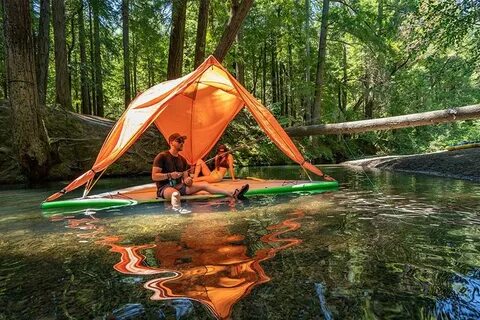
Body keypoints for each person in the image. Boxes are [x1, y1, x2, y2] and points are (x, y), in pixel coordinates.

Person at [152, 133, 249, 210]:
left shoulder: (182, 159)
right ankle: (178, 212)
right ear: (171, 142)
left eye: (183, 141)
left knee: (205, 184)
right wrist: (169, 175)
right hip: (165, 188)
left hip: (180, 187)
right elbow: (154, 176)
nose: (182, 143)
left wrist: (188, 180)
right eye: (179, 141)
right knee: (175, 194)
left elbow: (186, 178)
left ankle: (232, 194)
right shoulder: (162, 156)